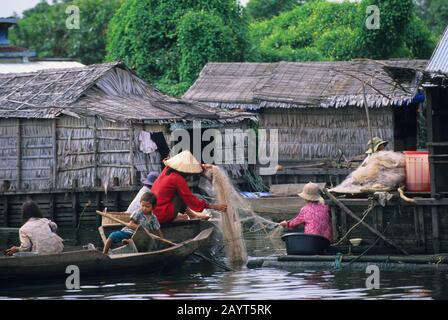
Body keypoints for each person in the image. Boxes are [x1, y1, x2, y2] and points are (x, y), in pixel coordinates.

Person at [151, 150, 227, 224]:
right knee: (182, 194)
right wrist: (214, 206)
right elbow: (191, 200)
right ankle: (191, 215)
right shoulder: (177, 179)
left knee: (179, 193)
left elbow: (188, 166)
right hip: (162, 215)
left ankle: (192, 215)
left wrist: (202, 166)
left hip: (154, 213)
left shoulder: (167, 169)